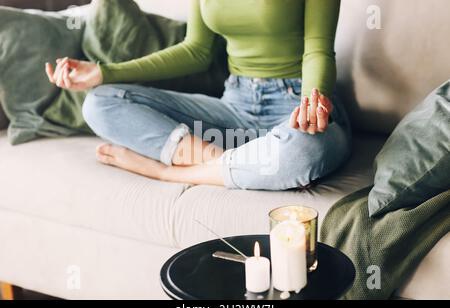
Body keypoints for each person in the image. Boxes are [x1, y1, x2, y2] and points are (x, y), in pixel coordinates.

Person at [45, 0, 351, 190]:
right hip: (235, 109)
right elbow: (197, 51)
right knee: (100, 103)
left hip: (294, 106)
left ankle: (171, 173)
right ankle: (228, 164)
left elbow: (318, 50)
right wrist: (104, 73)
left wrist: (313, 101)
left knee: (303, 153)